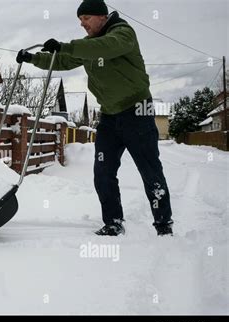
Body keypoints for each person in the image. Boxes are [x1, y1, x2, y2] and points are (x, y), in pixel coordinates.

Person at [16, 0, 173, 236]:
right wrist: (32, 58)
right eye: (80, 21)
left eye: (86, 19)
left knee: (149, 170)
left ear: (102, 16)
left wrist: (66, 45)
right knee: (103, 171)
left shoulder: (122, 33)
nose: (82, 24)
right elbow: (62, 60)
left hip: (137, 111)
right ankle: (113, 222)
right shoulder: (89, 46)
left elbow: (105, 47)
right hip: (109, 116)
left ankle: (163, 224)